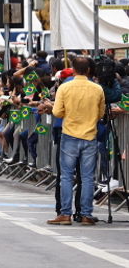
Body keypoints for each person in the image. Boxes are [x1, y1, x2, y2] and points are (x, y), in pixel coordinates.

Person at [47, 56, 106, 226]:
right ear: (88, 70)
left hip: (69, 135)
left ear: (72, 69)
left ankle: (65, 214)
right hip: (89, 135)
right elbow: (101, 114)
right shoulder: (97, 89)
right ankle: (86, 214)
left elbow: (57, 112)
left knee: (66, 176)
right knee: (87, 177)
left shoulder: (65, 87)